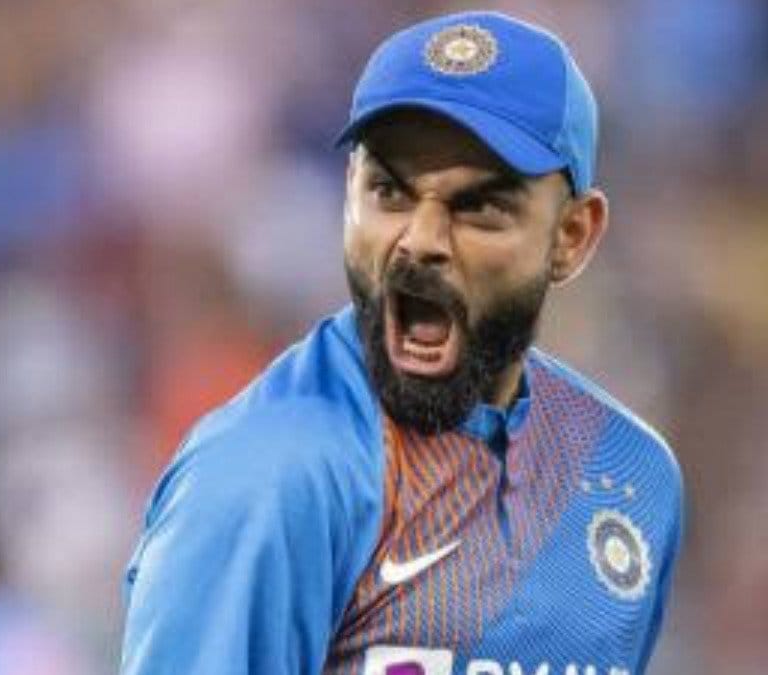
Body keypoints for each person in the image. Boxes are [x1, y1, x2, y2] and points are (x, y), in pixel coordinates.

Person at [120, 11, 684, 675]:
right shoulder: (273, 475)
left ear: (573, 235)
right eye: (389, 191)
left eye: (479, 207)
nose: (419, 239)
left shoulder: (628, 470)